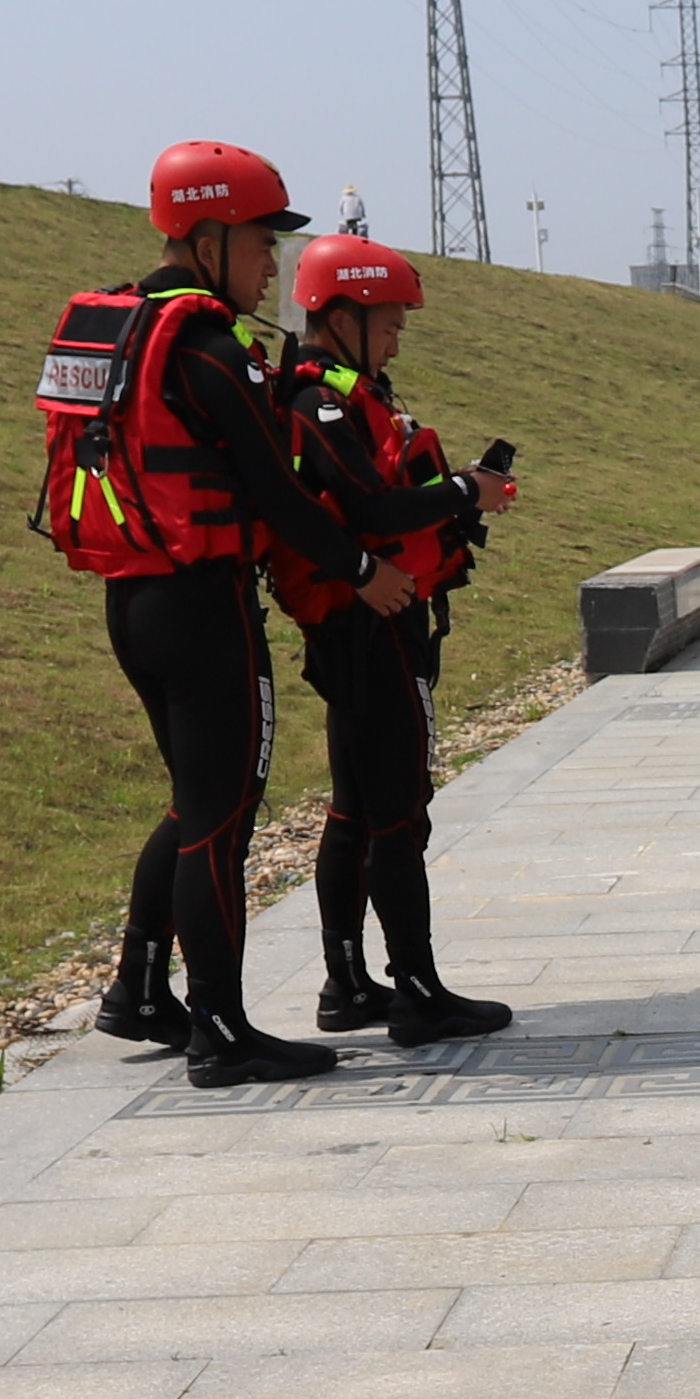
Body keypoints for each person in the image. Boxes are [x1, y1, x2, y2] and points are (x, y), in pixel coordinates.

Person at [29, 141, 390, 1090]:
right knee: (222, 819)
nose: (274, 264)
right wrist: (362, 569)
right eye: (262, 241)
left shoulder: (125, 328)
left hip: (134, 602)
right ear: (206, 239)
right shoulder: (209, 349)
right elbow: (279, 494)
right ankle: (222, 1031)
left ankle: (141, 993)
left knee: (195, 804)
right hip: (203, 609)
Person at [263, 233, 516, 1045]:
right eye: (391, 323)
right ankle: (416, 991)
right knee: (398, 812)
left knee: (354, 807)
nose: (399, 340)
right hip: (372, 627)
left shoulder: (335, 393)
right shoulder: (320, 401)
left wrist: (455, 494)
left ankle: (347, 985)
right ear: (343, 318)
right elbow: (372, 509)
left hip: (356, 626)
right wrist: (464, 489)